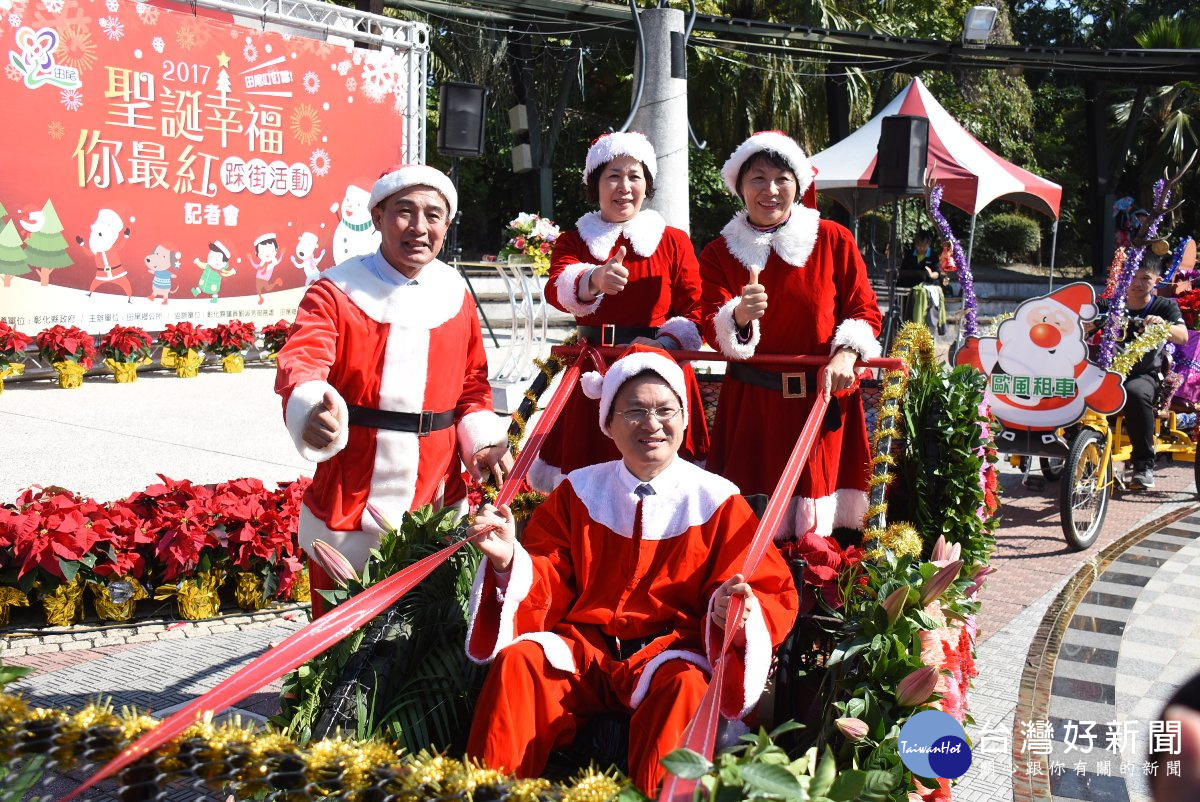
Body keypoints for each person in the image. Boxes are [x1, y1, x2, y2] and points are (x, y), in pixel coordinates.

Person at [464, 347, 798, 795]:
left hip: (668, 656)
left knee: (685, 688)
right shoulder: (578, 491)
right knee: (519, 665)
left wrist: (731, 609)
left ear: (683, 418)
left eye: (665, 409)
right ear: (610, 423)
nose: (652, 423)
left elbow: (766, 588)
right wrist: (509, 560)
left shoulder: (718, 500)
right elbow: (549, 573)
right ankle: (486, 793)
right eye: (635, 410)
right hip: (585, 650)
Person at [275, 164, 512, 616]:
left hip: (437, 493)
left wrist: (482, 441)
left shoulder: (454, 292)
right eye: (404, 212)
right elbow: (303, 360)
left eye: (433, 215)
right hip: (353, 492)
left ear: (447, 224)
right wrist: (309, 407)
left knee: (427, 640)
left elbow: (472, 387)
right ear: (378, 216)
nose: (419, 228)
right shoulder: (336, 290)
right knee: (341, 643)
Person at [699, 131, 882, 539]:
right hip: (753, 410)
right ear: (739, 187)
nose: (770, 189)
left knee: (824, 531)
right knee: (748, 525)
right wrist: (740, 317)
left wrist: (847, 354)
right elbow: (708, 323)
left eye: (782, 177)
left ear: (798, 183)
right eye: (757, 178)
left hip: (820, 405)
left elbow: (863, 309)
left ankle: (821, 595)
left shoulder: (833, 239)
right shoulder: (718, 253)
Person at [532, 131, 708, 492]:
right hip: (592, 368)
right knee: (588, 479)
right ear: (595, 183)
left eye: (634, 176)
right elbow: (557, 286)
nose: (624, 186)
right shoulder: (576, 239)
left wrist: (664, 344)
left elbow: (697, 310)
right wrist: (593, 278)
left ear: (647, 185)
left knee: (663, 481)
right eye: (613, 175)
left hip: (659, 370)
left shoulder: (673, 240)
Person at [1113, 259, 1187, 489]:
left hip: (1145, 374)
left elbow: (1183, 335)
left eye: (1145, 278)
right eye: (1132, 277)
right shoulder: (1111, 303)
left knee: (1134, 393)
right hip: (1107, 369)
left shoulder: (1164, 306)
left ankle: (1143, 465)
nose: (1137, 283)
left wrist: (1162, 325)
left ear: (1156, 281)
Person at [897, 229, 946, 334]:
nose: (921, 249)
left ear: (928, 244)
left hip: (926, 288)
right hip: (909, 287)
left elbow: (938, 272)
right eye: (919, 246)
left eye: (924, 246)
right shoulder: (909, 254)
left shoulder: (933, 256)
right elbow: (903, 270)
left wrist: (931, 274)